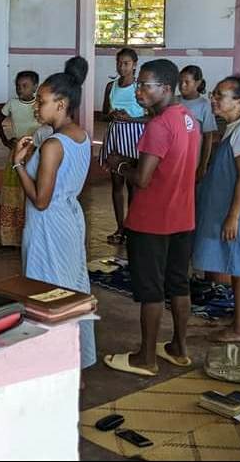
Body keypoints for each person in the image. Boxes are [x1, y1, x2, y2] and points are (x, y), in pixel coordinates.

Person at [103, 59, 200, 376]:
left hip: (152, 221)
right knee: (179, 284)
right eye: (139, 85)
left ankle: (145, 358)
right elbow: (170, 164)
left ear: (166, 88)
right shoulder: (188, 118)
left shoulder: (158, 125)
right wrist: (131, 161)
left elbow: (143, 179)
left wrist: (119, 165)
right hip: (183, 216)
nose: (139, 91)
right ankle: (179, 348)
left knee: (151, 291)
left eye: (146, 85)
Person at [13, 57, 95, 372]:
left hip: (48, 224)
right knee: (71, 286)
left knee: (46, 291)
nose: (36, 106)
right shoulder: (81, 135)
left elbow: (40, 200)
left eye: (42, 101)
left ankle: (53, 363)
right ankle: (74, 361)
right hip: (70, 218)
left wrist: (19, 164)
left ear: (61, 104)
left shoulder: (53, 145)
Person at [193, 77, 240, 343]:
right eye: (213, 94)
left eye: (220, 96)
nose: (213, 99)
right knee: (235, 265)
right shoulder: (235, 127)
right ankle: (239, 318)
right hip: (232, 210)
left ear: (239, 102)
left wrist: (234, 216)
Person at [100, 48, 149, 246]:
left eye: (126, 63)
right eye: (119, 63)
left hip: (135, 137)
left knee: (132, 184)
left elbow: (151, 117)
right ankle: (120, 228)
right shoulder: (110, 86)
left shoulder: (140, 87)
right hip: (115, 135)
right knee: (117, 184)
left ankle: (132, 227)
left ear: (135, 65)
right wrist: (111, 115)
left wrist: (131, 118)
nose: (122, 67)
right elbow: (103, 114)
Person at [0, 70, 41, 249]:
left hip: (35, 152)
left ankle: (29, 236)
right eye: (18, 86)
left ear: (35, 87)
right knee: (12, 192)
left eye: (25, 86)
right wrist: (5, 141)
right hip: (17, 151)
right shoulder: (12, 104)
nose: (20, 89)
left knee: (31, 191)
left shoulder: (39, 104)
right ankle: (9, 237)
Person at [178, 65, 218, 182]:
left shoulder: (204, 106)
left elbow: (208, 138)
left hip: (192, 159)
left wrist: (203, 165)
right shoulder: (174, 101)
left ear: (197, 83)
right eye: (180, 82)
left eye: (187, 82)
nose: (182, 85)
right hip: (174, 156)